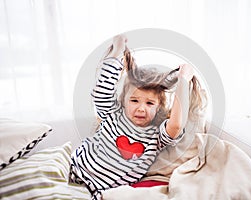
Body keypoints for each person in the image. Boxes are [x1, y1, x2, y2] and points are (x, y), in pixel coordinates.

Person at [69, 34, 204, 199]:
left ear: (159, 107)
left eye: (149, 103)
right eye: (134, 100)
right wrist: (117, 51)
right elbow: (101, 90)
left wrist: (183, 80)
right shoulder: (113, 113)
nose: (141, 108)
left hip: (98, 192)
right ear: (124, 100)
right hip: (72, 169)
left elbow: (176, 125)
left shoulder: (155, 137)